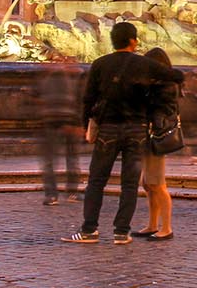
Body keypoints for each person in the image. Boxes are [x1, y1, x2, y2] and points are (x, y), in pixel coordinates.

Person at [63, 21, 185, 245]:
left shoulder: (100, 64)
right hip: (137, 130)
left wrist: (85, 124)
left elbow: (88, 99)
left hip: (108, 128)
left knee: (96, 181)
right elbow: (176, 75)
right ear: (132, 41)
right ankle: (122, 232)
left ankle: (89, 230)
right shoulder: (144, 64)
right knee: (129, 184)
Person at [130, 47, 180, 241]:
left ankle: (166, 227)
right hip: (150, 135)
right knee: (148, 183)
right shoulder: (159, 84)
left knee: (157, 183)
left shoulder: (165, 86)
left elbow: (161, 110)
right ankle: (152, 224)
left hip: (156, 136)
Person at [37, 62, 82, 204]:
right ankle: (71, 192)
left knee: (51, 160)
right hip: (66, 122)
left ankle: (52, 194)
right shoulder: (69, 80)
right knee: (71, 158)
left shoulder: (50, 79)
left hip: (52, 122)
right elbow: (77, 103)